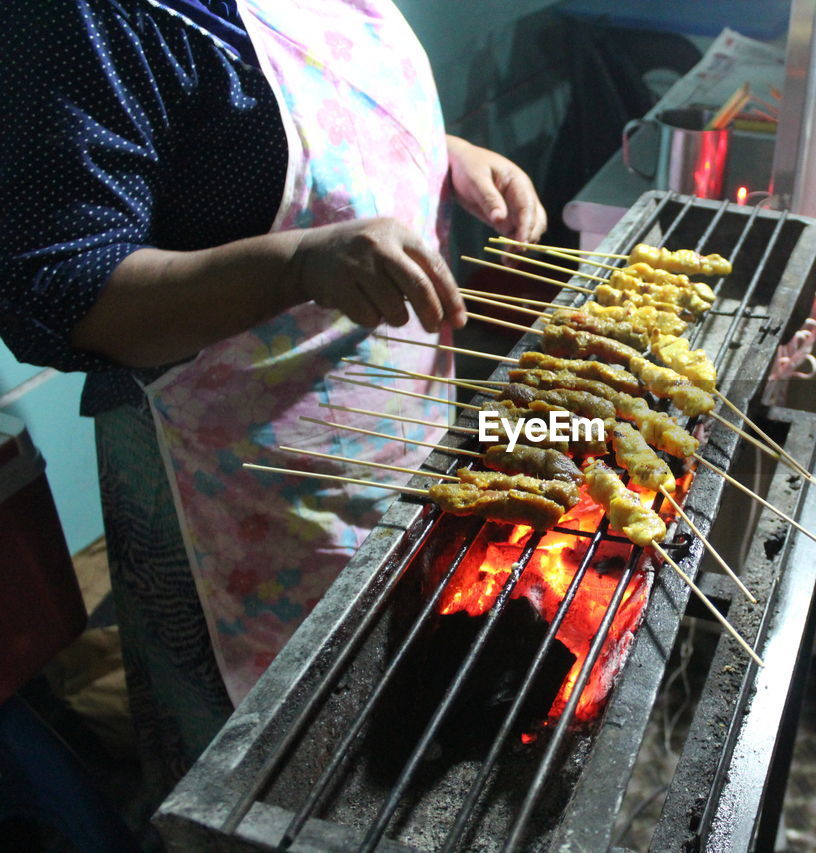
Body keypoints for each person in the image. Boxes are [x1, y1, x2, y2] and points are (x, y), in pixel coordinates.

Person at [0, 0, 547, 813]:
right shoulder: (80, 19)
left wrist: (445, 156)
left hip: (398, 441)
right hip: (233, 487)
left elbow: (269, 136)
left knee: (394, 735)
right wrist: (297, 262)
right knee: (268, 790)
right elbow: (70, 293)